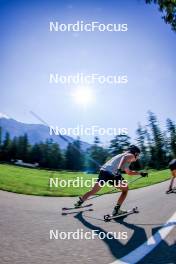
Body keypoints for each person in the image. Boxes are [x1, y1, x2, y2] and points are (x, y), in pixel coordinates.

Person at [74, 145, 148, 216]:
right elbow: (125, 158)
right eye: (138, 155)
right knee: (125, 189)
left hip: (104, 171)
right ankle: (116, 210)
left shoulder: (122, 156)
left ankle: (79, 202)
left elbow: (128, 172)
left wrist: (140, 173)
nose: (138, 157)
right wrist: (118, 169)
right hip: (113, 174)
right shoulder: (129, 155)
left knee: (93, 190)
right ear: (135, 153)